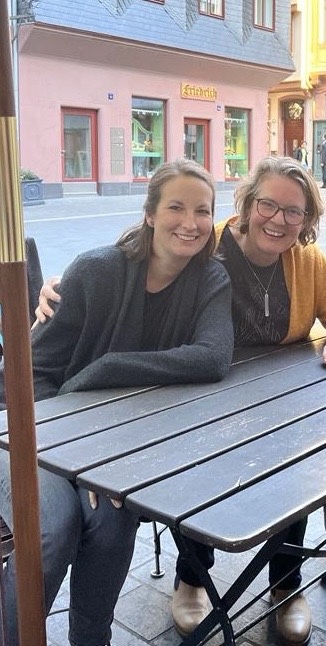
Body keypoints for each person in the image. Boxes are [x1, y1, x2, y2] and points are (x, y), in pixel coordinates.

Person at [36, 155, 326, 645]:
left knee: (299, 446)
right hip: (194, 397)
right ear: (246, 203)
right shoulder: (207, 244)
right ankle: (193, 577)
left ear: (307, 221)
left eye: (294, 212)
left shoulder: (306, 262)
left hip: (275, 395)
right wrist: (57, 289)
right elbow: (137, 260)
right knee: (198, 462)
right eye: (268, 204)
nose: (278, 220)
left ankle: (285, 581)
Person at [0, 159, 234, 646]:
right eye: (176, 207)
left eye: (202, 211)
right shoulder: (95, 271)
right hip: (31, 428)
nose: (189, 223)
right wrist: (75, 454)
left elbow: (213, 357)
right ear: (149, 213)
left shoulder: (210, 278)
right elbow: (28, 376)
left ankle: (92, 638)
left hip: (119, 438)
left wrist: (107, 369)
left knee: (111, 514)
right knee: (53, 525)